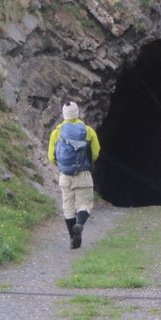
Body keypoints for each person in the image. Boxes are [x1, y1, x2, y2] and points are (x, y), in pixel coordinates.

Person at [48, 101, 101, 249]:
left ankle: (73, 239)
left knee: (68, 207)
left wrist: (63, 165)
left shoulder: (56, 132)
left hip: (65, 176)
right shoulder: (88, 131)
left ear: (64, 114)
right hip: (83, 174)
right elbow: (96, 152)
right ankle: (80, 224)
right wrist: (86, 163)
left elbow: (51, 157)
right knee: (85, 204)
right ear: (77, 112)